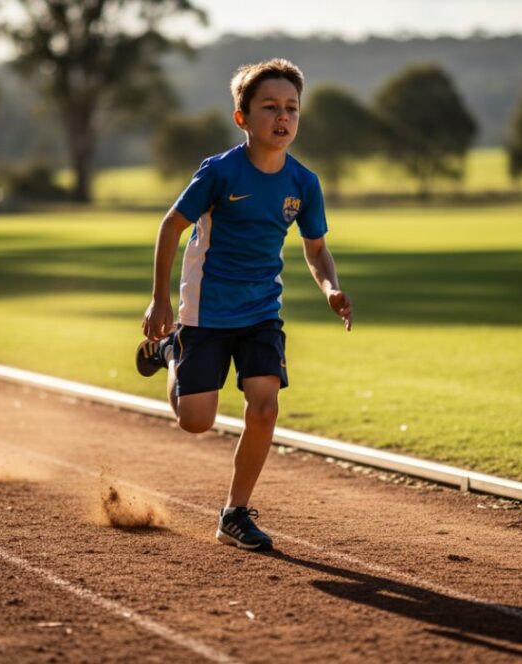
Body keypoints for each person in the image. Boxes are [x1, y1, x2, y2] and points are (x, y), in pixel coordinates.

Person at [136, 58, 352, 552]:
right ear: (242, 118)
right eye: (270, 107)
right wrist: (159, 299)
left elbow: (316, 250)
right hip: (205, 312)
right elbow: (172, 226)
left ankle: (234, 513)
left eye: (292, 108)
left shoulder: (304, 183)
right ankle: (170, 350)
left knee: (265, 404)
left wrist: (330, 289)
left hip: (260, 313)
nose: (283, 117)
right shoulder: (220, 172)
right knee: (196, 420)